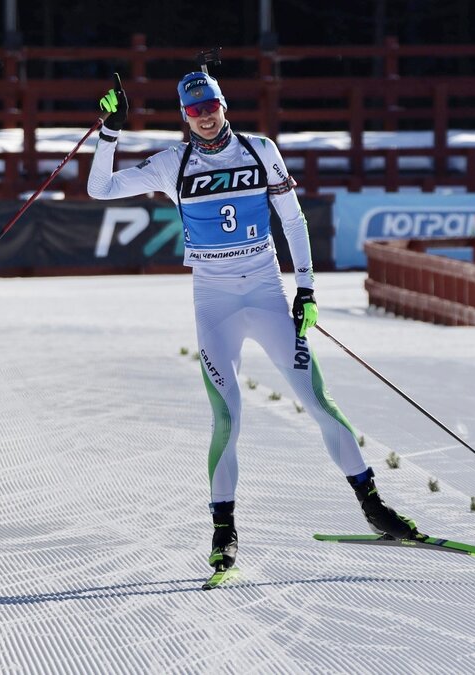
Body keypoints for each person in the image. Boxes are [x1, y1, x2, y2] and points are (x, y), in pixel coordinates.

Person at [87, 72, 422, 578]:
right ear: (184, 116)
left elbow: (293, 220)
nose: (204, 116)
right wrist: (108, 131)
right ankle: (224, 534)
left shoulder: (261, 150)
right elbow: (100, 188)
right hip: (213, 303)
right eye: (194, 110)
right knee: (227, 419)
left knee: (320, 403)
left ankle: (374, 506)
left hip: (266, 294)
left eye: (210, 106)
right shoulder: (170, 164)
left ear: (224, 104)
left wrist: (306, 290)